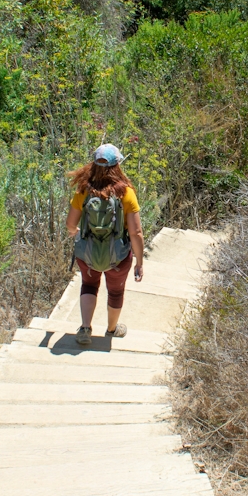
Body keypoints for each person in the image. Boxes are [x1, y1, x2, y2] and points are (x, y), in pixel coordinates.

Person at [66, 143, 145, 345]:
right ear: (117, 165)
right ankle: (111, 330)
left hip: (88, 254)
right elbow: (136, 233)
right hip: (117, 256)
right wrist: (139, 263)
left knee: (89, 285)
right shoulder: (125, 193)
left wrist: (78, 235)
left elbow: (70, 225)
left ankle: (85, 328)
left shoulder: (83, 190)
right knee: (116, 291)